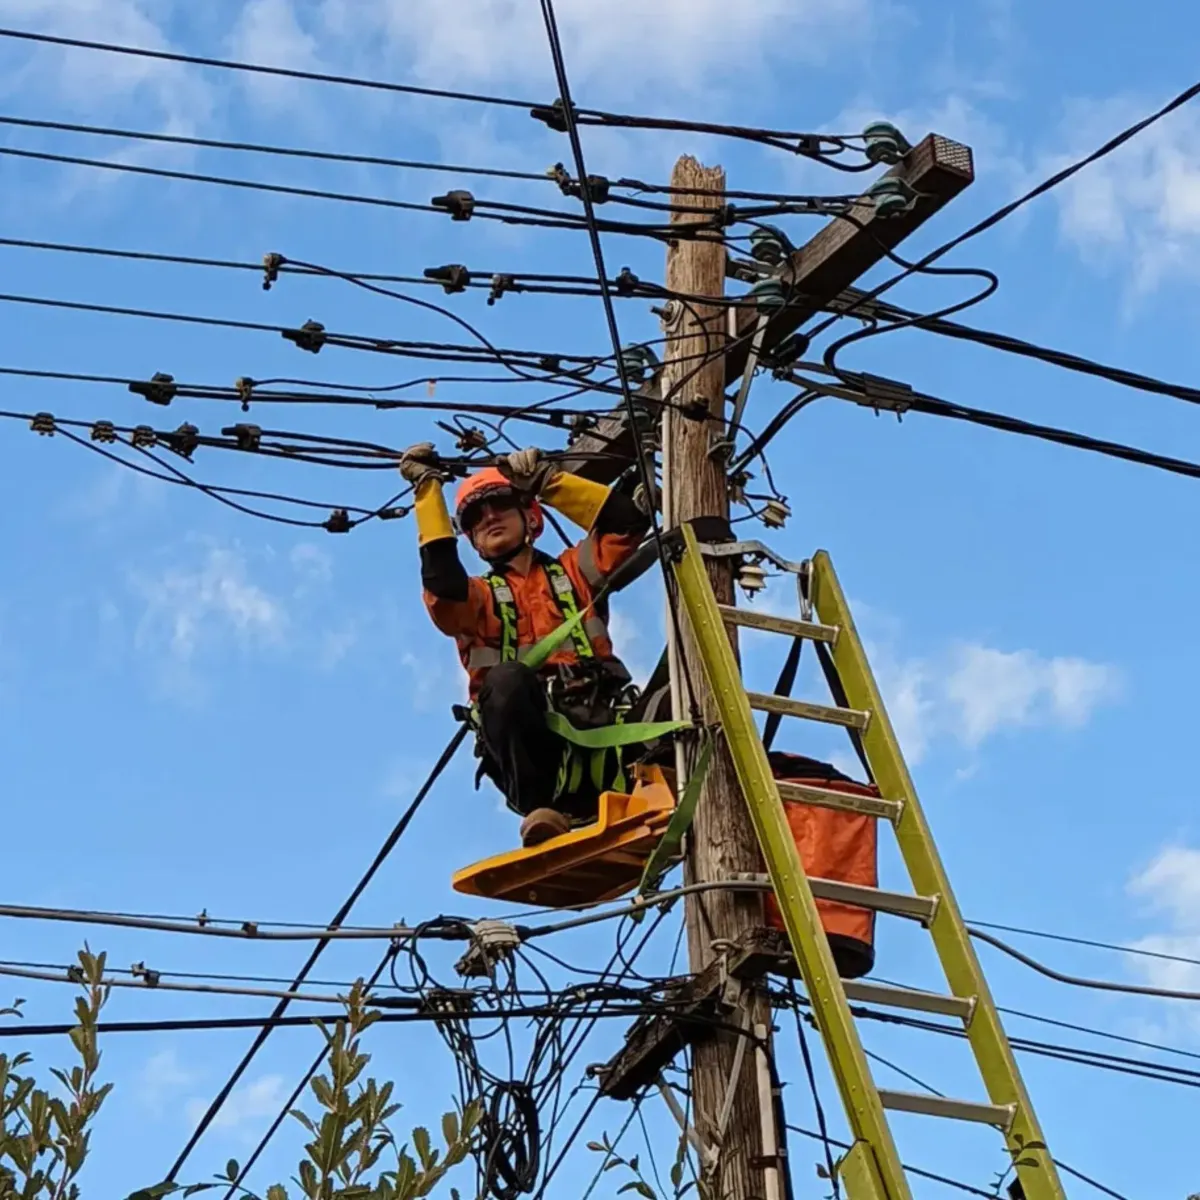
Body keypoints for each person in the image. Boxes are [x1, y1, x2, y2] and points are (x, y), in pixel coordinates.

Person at [399, 442, 654, 846]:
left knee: (687, 676)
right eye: (475, 518)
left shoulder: (575, 571)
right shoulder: (478, 598)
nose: (489, 517)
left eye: (500, 504)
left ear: (531, 517)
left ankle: (671, 780)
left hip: (610, 739)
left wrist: (548, 483)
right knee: (506, 680)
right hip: (539, 765)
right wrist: (428, 492)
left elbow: (628, 526)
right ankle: (543, 813)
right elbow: (443, 585)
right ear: (473, 542)